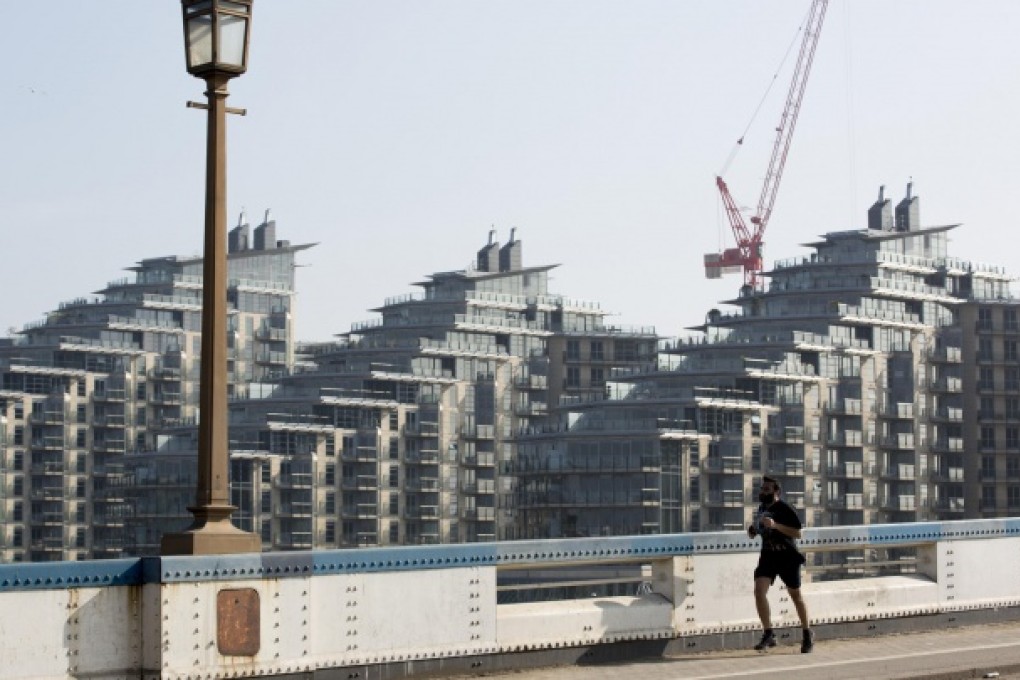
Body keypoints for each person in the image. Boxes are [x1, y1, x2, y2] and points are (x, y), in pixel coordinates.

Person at [747, 475, 813, 653]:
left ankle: (807, 634)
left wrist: (776, 525)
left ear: (777, 492)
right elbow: (762, 529)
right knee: (759, 591)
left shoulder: (785, 508)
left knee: (796, 596)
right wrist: (754, 531)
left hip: (787, 556)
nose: (762, 492)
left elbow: (798, 533)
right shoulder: (762, 508)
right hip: (768, 555)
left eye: (767, 489)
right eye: (762, 489)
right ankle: (769, 633)